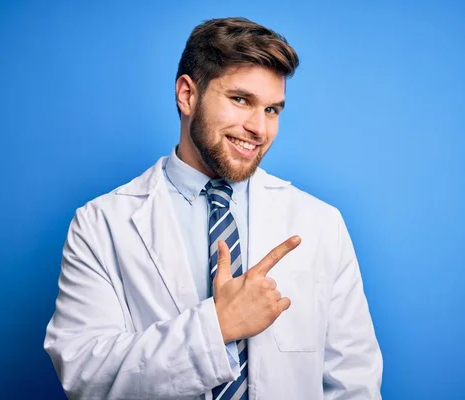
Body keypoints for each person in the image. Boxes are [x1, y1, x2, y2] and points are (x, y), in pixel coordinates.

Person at [44, 16, 383, 400]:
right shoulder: (101, 224)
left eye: (272, 110)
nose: (259, 128)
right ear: (187, 95)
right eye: (241, 100)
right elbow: (85, 374)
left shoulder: (320, 223)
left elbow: (353, 382)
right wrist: (217, 326)